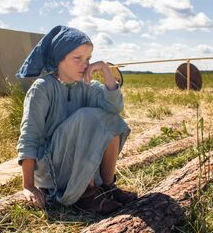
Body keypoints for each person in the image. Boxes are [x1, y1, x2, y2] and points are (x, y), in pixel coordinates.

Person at [15, 25, 137, 215]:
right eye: (77, 58)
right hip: (52, 170)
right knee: (86, 116)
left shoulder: (87, 85)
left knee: (109, 118)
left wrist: (105, 69)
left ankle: (107, 187)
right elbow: (29, 137)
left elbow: (114, 109)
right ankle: (86, 195)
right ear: (59, 58)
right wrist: (29, 186)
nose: (85, 64)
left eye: (88, 58)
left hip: (78, 166)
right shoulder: (42, 88)